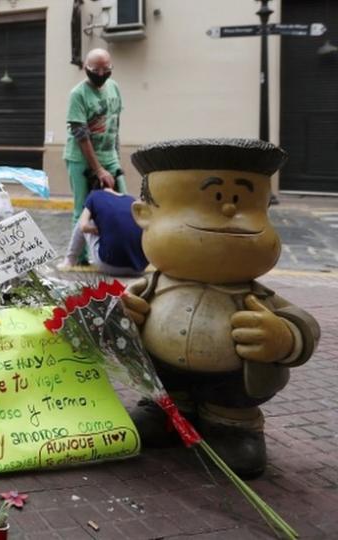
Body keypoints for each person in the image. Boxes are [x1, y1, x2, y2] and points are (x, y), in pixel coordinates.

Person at [121, 138, 320, 478]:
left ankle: (232, 427)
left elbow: (305, 325)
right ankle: (166, 412)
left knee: (231, 414)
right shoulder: (150, 286)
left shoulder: (256, 296)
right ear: (144, 215)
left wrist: (284, 337)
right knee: (163, 399)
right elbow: (121, 312)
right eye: (213, 199)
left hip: (233, 386)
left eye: (245, 202)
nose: (229, 210)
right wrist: (123, 316)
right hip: (164, 379)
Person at [64, 48, 125, 263]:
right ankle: (77, 259)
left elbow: (115, 123)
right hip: (81, 158)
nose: (100, 74)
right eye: (95, 69)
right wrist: (98, 169)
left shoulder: (114, 87)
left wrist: (115, 157)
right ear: (85, 68)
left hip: (109, 154)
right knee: (83, 208)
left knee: (122, 204)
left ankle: (118, 253)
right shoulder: (78, 94)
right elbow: (81, 135)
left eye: (105, 69)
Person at [58, 173, 147, 276]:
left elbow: (83, 226)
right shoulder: (131, 199)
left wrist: (98, 230)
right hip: (140, 268)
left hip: (111, 266)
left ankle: (69, 261)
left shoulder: (94, 195)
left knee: (83, 220)